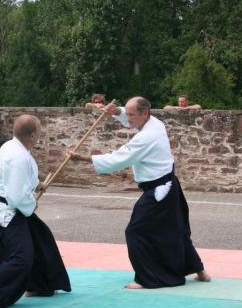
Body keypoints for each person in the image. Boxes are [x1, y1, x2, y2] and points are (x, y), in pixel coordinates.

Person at [69, 97, 210, 289]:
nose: (128, 118)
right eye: (127, 113)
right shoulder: (155, 123)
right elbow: (129, 119)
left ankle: (147, 278)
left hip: (160, 190)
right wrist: (117, 112)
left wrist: (84, 159)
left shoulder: (146, 137)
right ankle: (200, 271)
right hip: (169, 185)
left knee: (136, 231)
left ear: (144, 113)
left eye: (131, 114)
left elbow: (119, 159)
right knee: (177, 229)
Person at [0, 114, 71, 308]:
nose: (40, 135)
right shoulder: (18, 156)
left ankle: (40, 285)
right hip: (8, 211)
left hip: (13, 207)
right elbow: (15, 196)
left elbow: (19, 179)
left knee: (41, 239)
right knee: (21, 258)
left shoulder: (13, 147)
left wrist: (37, 184)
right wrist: (31, 205)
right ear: (32, 135)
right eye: (39, 131)